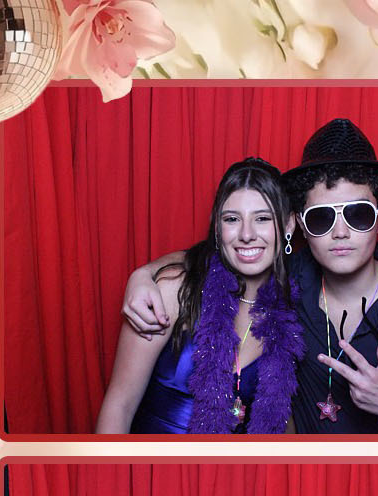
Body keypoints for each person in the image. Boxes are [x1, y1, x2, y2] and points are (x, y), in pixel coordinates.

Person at [122, 120, 378, 437]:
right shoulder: (286, 282)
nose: (341, 232)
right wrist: (146, 273)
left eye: (358, 214)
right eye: (322, 217)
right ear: (301, 225)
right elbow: (226, 251)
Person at [96, 158, 303, 436]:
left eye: (262, 218)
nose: (246, 234)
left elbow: (282, 422)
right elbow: (119, 407)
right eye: (232, 219)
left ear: (288, 225)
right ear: (217, 227)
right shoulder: (174, 290)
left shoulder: (292, 311)